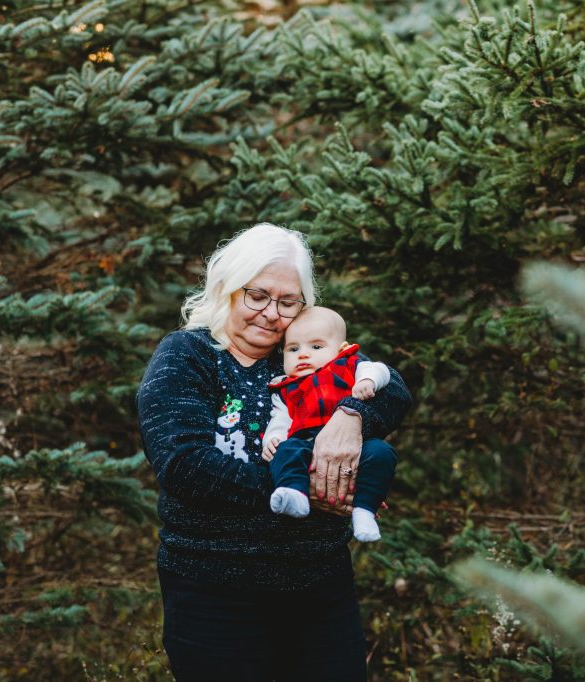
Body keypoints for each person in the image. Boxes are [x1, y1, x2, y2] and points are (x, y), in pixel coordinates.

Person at [137, 222, 411, 682]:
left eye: (288, 302)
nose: (271, 313)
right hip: (215, 590)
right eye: (257, 295)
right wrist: (304, 488)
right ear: (226, 288)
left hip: (320, 585)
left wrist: (350, 416)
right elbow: (184, 465)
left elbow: (392, 387)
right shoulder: (187, 355)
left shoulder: (300, 354)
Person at [263, 306, 397, 543]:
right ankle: (295, 493)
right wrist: (273, 438)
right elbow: (280, 418)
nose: (303, 354)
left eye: (316, 347)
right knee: (286, 452)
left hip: (354, 444)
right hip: (303, 441)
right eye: (293, 349)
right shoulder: (285, 387)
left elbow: (380, 370)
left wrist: (368, 380)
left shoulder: (348, 365)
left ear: (341, 349)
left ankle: (364, 511)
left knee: (382, 453)